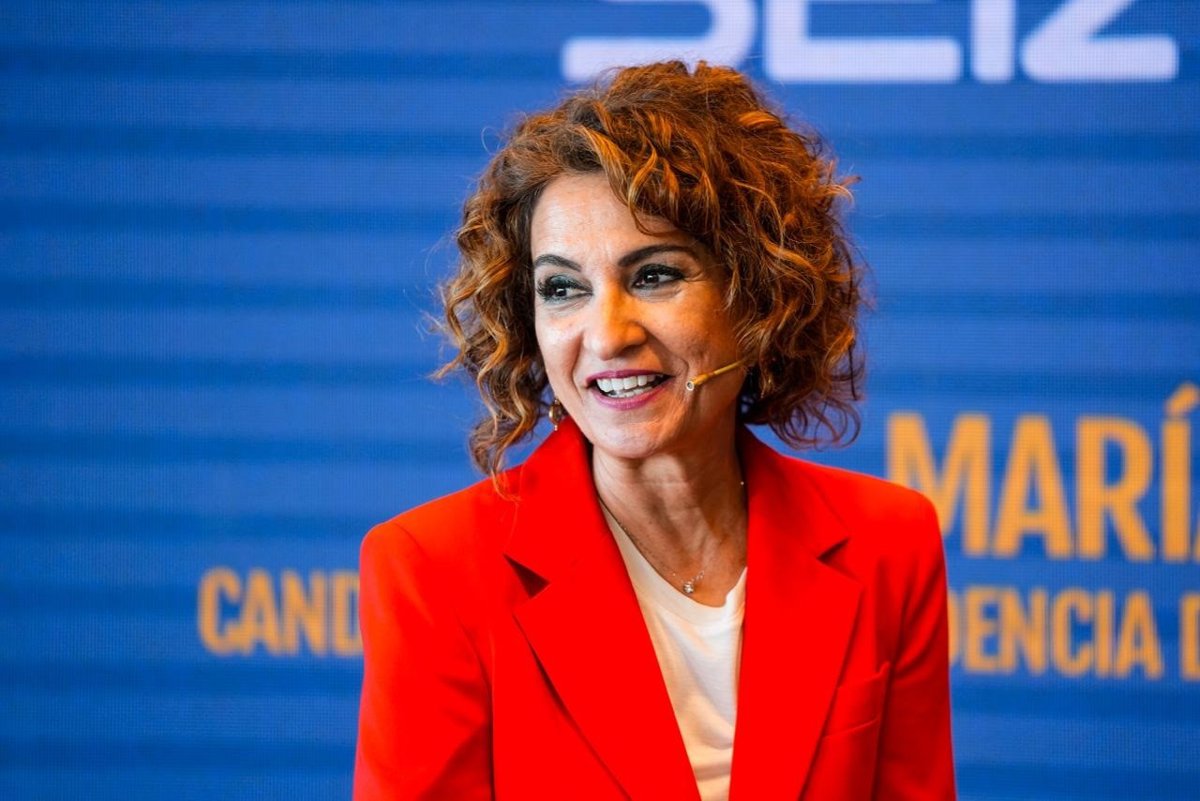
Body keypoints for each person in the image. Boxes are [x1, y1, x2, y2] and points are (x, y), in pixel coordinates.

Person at [353, 61, 955, 800]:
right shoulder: (434, 573)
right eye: (562, 288)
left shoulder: (889, 544)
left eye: (654, 276)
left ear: (759, 293)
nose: (607, 335)